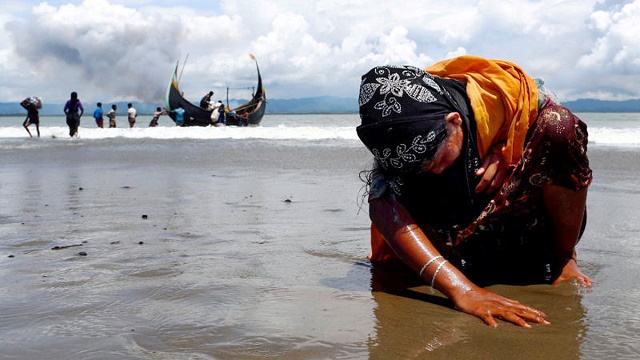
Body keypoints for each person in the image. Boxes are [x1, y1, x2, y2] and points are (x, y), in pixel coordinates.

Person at [356, 56, 592, 328]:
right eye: (414, 168)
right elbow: (383, 205)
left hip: (524, 229)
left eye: (433, 160)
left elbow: (553, 133)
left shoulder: (511, 98)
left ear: (454, 122)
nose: (430, 171)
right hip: (456, 241)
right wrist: (462, 290)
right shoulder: (397, 132)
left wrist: (507, 149)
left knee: (559, 125)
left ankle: (563, 258)